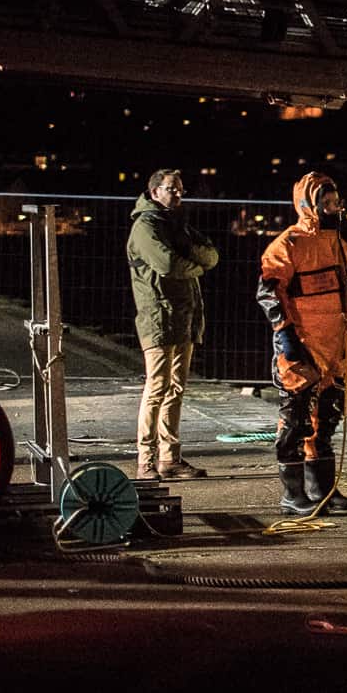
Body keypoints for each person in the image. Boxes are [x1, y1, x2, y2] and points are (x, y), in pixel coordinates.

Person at [257, 173, 347, 516]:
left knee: (326, 421)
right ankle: (293, 495)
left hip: (333, 349)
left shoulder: (340, 246)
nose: (334, 208)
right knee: (295, 423)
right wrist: (285, 334)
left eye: (336, 202)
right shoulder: (288, 245)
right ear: (309, 205)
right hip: (302, 348)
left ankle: (322, 490)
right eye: (327, 202)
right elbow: (269, 291)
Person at [125, 168, 219, 481]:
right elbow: (166, 264)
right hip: (158, 317)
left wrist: (189, 257)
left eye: (180, 189)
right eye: (171, 189)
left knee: (175, 387)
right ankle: (146, 460)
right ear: (154, 192)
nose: (178, 194)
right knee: (157, 388)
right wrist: (195, 266)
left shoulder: (176, 224)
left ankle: (170, 458)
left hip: (183, 317)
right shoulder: (145, 226)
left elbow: (212, 255)